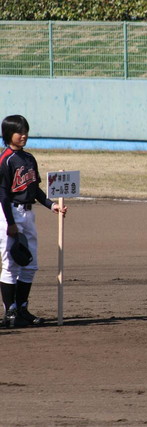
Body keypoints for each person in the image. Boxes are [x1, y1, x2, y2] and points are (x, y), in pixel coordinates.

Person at [0, 115, 67, 328]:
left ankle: (22, 309)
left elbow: (35, 189)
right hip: (9, 213)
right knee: (11, 263)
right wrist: (10, 222)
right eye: (19, 131)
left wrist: (51, 205)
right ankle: (10, 313)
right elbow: (3, 194)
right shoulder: (5, 160)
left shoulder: (29, 158)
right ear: (8, 134)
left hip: (28, 214)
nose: (24, 135)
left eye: (25, 131)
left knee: (30, 264)